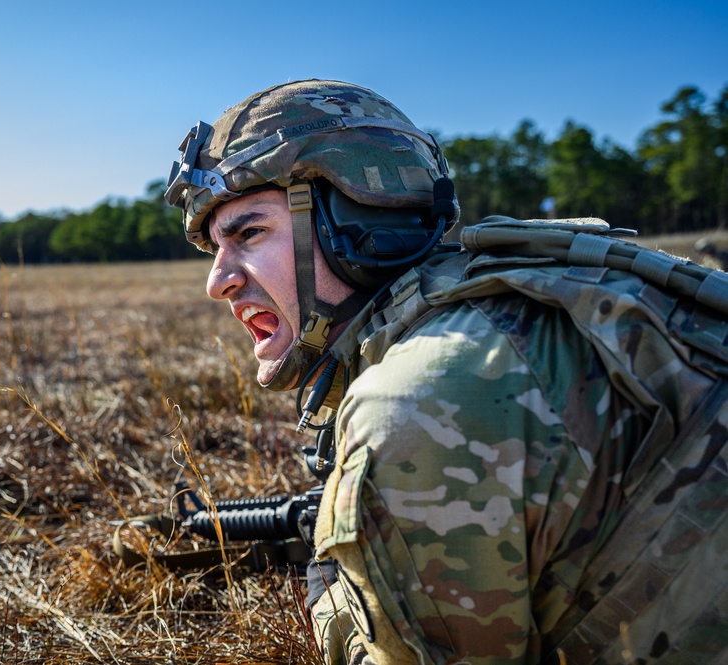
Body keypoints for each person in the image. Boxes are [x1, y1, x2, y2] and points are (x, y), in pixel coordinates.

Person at [164, 80, 728, 664]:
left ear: (353, 218)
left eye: (249, 234)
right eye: (214, 249)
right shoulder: (561, 289)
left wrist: (333, 592)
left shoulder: (413, 407)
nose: (218, 281)